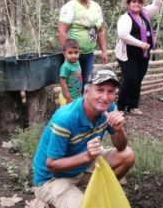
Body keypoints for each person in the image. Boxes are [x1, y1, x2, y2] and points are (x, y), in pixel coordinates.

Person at [32, 66, 135, 208]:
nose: (105, 97)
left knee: (127, 155)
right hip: (51, 179)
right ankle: (49, 202)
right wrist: (87, 156)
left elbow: (121, 147)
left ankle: (92, 195)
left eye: (110, 91)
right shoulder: (65, 118)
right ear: (87, 90)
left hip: (81, 167)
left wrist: (119, 130)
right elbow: (51, 165)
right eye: (99, 90)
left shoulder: (109, 108)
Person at [115, 0, 163, 115]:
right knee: (130, 79)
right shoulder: (125, 18)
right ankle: (120, 106)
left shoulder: (144, 14)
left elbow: (156, 5)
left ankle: (133, 105)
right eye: (133, 1)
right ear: (129, 4)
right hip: (127, 54)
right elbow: (123, 35)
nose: (136, 4)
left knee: (138, 79)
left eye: (139, 1)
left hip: (142, 54)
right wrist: (140, 44)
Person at [58, 0, 108, 84]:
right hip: (74, 55)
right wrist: (67, 56)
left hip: (89, 53)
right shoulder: (69, 7)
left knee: (88, 83)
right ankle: (74, 102)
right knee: (74, 85)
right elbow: (62, 32)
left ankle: (86, 102)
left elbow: (100, 30)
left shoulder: (96, 7)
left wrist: (104, 51)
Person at [60, 39, 83, 104]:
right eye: (70, 53)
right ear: (64, 53)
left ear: (79, 52)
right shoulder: (66, 66)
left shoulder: (77, 62)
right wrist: (68, 97)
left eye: (76, 52)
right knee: (67, 113)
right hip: (69, 98)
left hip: (77, 96)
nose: (73, 55)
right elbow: (62, 82)